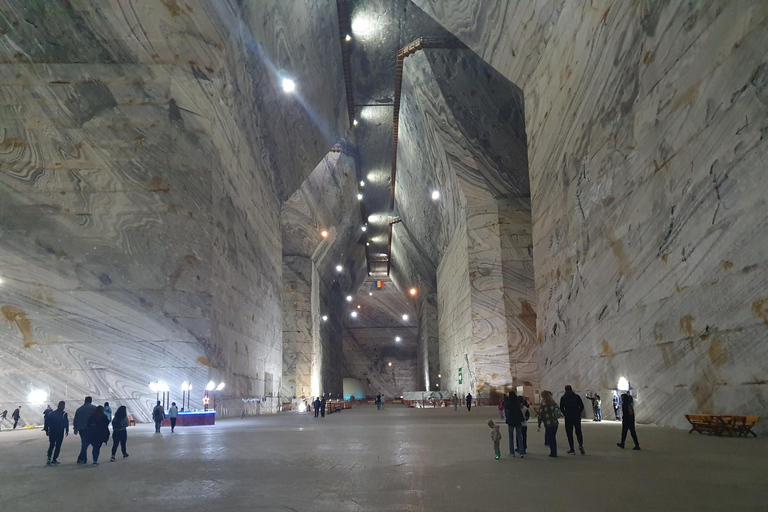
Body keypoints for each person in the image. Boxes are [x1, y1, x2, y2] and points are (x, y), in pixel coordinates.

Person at [560, 385, 586, 455]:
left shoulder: (563, 398)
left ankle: (572, 449)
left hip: (568, 416)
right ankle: (580, 445)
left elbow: (561, 408)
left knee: (569, 433)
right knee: (578, 431)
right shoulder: (576, 397)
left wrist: (565, 414)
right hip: (576, 416)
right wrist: (578, 413)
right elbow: (582, 406)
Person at [44, 401, 68, 465]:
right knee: (58, 446)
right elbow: (66, 423)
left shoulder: (52, 413)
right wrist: (67, 430)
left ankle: (49, 458)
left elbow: (47, 422)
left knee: (52, 445)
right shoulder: (64, 414)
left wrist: (46, 430)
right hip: (59, 432)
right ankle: (54, 459)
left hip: (52, 431)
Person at [537, 390, 561, 457]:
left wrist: (539, 424)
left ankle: (553, 453)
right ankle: (554, 451)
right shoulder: (553, 403)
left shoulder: (543, 404)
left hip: (548, 423)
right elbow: (558, 411)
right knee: (553, 437)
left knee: (551, 438)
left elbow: (540, 415)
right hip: (555, 423)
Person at [73, 397, 96, 464]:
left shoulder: (79, 409)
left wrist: (75, 429)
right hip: (91, 429)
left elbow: (76, 419)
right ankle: (84, 458)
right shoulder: (94, 408)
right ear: (91, 401)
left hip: (82, 429)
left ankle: (82, 458)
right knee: (92, 444)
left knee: (84, 443)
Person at [505, 391, 525, 458]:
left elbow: (507, 414)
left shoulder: (508, 404)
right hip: (518, 421)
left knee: (511, 437)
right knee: (519, 436)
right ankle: (521, 452)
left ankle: (512, 452)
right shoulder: (518, 404)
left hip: (511, 421)